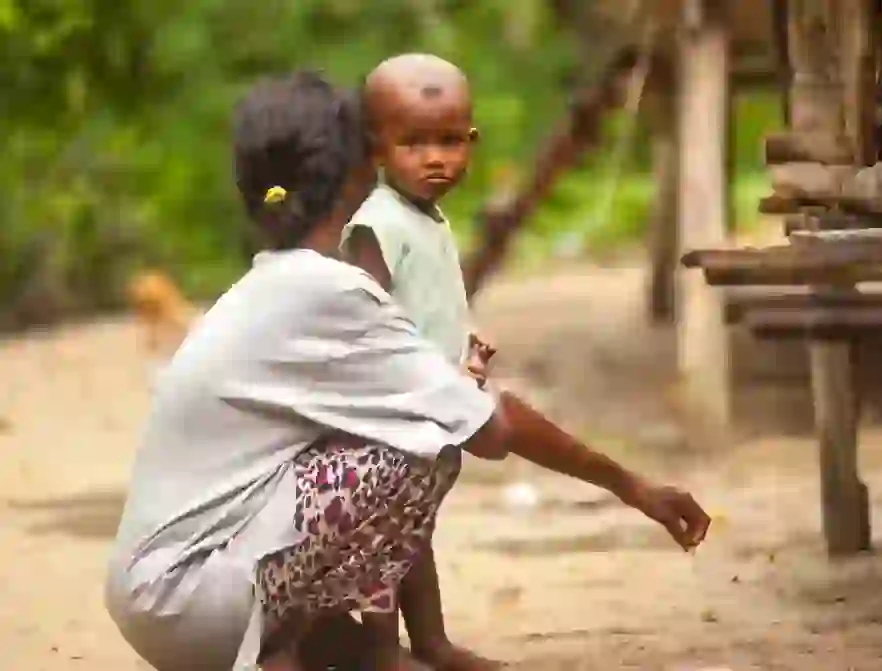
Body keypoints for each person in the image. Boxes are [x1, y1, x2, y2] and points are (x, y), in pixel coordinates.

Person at [104, 71, 511, 671]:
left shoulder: (267, 284)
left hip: (156, 594)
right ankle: (297, 650)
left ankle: (335, 648)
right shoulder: (328, 285)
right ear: (356, 174)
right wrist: (632, 488)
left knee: (386, 443)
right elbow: (486, 430)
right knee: (419, 449)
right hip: (193, 601)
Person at [340, 53, 712, 670]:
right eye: (414, 143)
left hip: (435, 405)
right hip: (393, 415)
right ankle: (383, 652)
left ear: (472, 141)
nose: (436, 158)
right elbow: (366, 324)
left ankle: (430, 644)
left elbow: (425, 309)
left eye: (450, 141)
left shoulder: (424, 217)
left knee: (415, 529)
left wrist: (462, 355)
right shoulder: (376, 224)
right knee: (389, 535)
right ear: (376, 147)